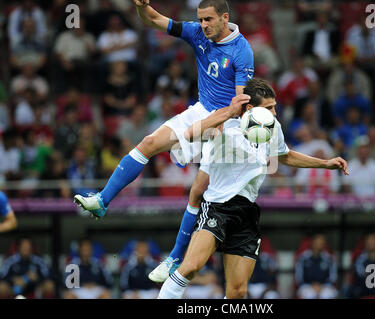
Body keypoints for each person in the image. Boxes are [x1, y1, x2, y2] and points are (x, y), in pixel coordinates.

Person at [74, 0, 254, 281]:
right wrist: (141, 7)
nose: (203, 25)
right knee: (148, 143)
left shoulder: (242, 50)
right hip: (200, 111)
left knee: (197, 192)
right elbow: (155, 20)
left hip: (227, 126)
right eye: (201, 20)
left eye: (208, 20)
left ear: (225, 17)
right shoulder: (196, 32)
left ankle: (174, 259)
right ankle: (101, 200)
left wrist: (218, 124)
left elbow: (240, 103)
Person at [157, 78, 348, 299]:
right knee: (191, 267)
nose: (275, 113)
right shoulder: (224, 123)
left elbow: (285, 155)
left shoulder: (271, 127)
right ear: (250, 109)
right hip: (217, 206)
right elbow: (189, 134)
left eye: (275, 107)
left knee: (238, 291)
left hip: (247, 211)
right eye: (269, 108)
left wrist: (325, 163)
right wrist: (228, 112)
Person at [295, 234, 338, 299]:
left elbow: (333, 277)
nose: (319, 245)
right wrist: (312, 285)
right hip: (306, 286)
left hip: (325, 286)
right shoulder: (303, 258)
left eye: (321, 243)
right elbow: (299, 277)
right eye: (317, 242)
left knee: (327, 295)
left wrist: (321, 286)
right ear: (312, 243)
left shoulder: (329, 258)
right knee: (308, 294)